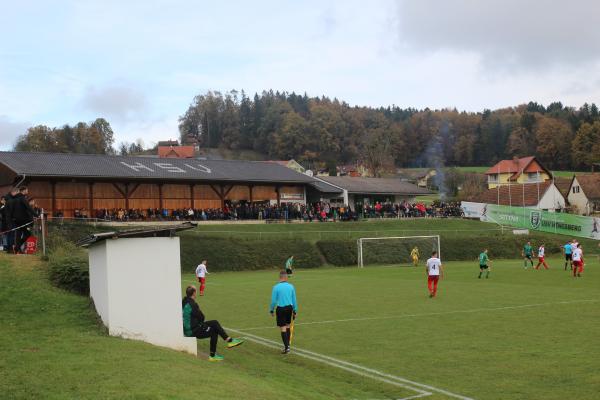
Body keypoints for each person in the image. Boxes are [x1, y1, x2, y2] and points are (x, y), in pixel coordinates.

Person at [182, 286, 243, 361]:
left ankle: (229, 340)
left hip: (188, 328)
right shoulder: (193, 305)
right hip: (192, 331)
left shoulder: (184, 301)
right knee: (214, 331)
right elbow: (202, 317)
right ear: (194, 293)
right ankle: (213, 355)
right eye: (196, 291)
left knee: (214, 322)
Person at [269, 270, 297, 354]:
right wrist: (295, 310)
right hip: (289, 308)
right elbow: (294, 299)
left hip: (281, 309)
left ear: (280, 277)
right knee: (288, 326)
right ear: (286, 277)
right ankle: (287, 345)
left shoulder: (276, 287)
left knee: (283, 328)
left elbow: (273, 301)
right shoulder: (291, 286)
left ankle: (286, 347)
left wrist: (271, 309)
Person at [12, 187, 35, 254]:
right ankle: (17, 248)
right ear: (24, 191)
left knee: (19, 235)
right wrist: (36, 215)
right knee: (27, 234)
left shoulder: (15, 198)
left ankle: (17, 249)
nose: (27, 191)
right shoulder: (22, 198)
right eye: (27, 190)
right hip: (23, 220)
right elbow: (28, 208)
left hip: (17, 220)